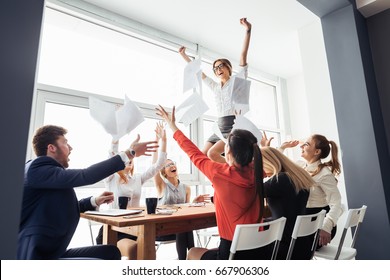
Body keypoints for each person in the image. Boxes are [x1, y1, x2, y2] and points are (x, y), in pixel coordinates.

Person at [18, 125, 158, 260]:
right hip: (38, 256)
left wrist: (94, 201)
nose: (70, 148)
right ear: (51, 148)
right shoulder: (37, 168)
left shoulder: (46, 174)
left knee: (110, 252)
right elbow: (87, 175)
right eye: (65, 143)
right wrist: (130, 153)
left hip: (53, 252)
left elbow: (61, 207)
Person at [156, 105, 265, 260]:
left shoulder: (219, 173)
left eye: (226, 146)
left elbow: (192, 152)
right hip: (259, 251)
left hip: (231, 255)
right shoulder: (258, 171)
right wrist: (238, 128)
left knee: (192, 252)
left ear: (228, 152)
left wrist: (172, 125)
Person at [178, 18, 252, 163]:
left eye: (220, 66)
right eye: (215, 68)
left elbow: (243, 55)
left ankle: (237, 168)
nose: (218, 70)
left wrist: (248, 30)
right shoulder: (215, 86)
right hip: (219, 126)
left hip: (233, 126)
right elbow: (198, 73)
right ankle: (229, 168)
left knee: (213, 154)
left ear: (228, 67)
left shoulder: (238, 81)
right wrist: (184, 56)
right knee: (204, 154)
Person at [95, 122, 168, 258]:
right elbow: (112, 156)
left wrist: (162, 140)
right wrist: (118, 139)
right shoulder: (111, 178)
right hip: (113, 228)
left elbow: (159, 164)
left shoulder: (138, 179)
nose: (129, 160)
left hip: (134, 227)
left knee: (147, 247)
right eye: (127, 157)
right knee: (135, 248)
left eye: (131, 159)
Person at [262, 132, 343, 247]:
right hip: (303, 221)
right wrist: (281, 147)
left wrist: (326, 227)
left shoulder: (324, 174)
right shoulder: (300, 166)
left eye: (306, 144)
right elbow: (279, 164)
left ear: (317, 152)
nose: (301, 146)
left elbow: (337, 203)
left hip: (318, 228)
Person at [153, 132, 210, 260]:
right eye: (167, 165)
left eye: (172, 163)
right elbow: (154, 167)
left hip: (180, 228)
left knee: (185, 226)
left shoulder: (186, 188)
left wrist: (194, 202)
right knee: (184, 227)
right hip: (163, 228)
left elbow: (185, 210)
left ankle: (188, 259)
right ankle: (189, 260)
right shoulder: (161, 185)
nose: (172, 165)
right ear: (163, 172)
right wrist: (158, 143)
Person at [260, 146, 315, 259]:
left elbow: (249, 193)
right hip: (302, 244)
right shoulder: (297, 177)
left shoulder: (279, 181)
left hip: (284, 247)